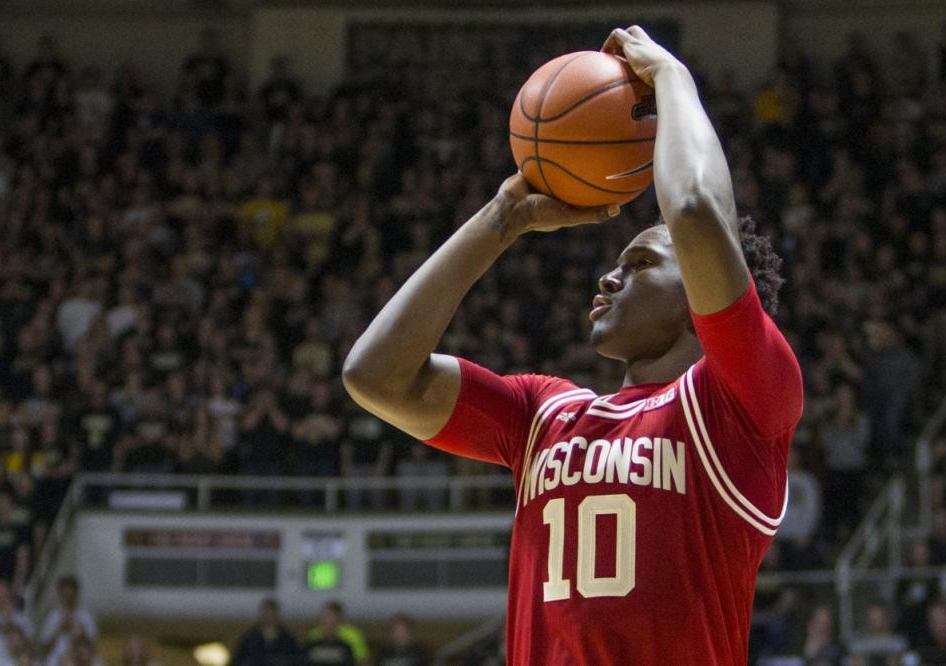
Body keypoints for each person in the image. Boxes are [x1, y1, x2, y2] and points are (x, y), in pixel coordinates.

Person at [343, 26, 802, 665]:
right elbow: (375, 376)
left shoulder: (740, 405)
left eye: (641, 262)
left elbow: (697, 211)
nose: (609, 275)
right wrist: (501, 221)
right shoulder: (545, 414)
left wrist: (672, 80)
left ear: (698, 294)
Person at [39, 575, 98, 666]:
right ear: (60, 594)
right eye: (65, 593)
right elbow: (44, 648)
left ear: (76, 593)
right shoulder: (53, 617)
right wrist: (60, 629)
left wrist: (81, 633)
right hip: (55, 660)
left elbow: (93, 646)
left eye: (71, 592)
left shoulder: (86, 616)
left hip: (81, 659)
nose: (68, 596)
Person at [231, 597, 299, 666]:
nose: (268, 618)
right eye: (266, 614)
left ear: (277, 616)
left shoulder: (287, 640)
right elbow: (238, 660)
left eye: (271, 614)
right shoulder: (250, 639)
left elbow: (296, 660)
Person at [304, 602, 369, 666]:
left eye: (332, 616)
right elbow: (307, 658)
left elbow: (362, 660)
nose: (328, 620)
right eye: (325, 616)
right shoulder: (315, 633)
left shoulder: (352, 634)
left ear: (340, 617)